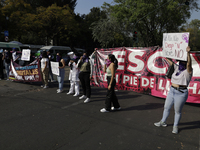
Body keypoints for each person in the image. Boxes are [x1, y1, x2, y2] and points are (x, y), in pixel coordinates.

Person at [154, 46, 193, 134]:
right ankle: (163, 121)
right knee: (166, 107)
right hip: (172, 90)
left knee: (177, 111)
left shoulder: (188, 70)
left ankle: (175, 126)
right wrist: (166, 51)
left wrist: (188, 53)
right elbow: (169, 60)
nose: (181, 62)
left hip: (181, 93)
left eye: (183, 60)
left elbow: (189, 64)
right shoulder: (176, 67)